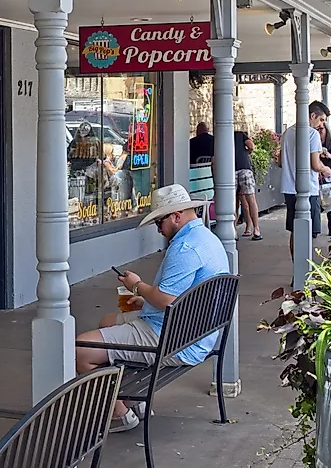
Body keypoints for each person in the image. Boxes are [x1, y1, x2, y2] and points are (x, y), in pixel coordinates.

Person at [75, 184, 230, 433]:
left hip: (173, 337)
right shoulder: (206, 239)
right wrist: (146, 299)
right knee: (107, 321)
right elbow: (176, 298)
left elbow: (166, 299)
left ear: (176, 217)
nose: (159, 230)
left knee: (81, 349)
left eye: (159, 222)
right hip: (194, 330)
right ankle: (133, 400)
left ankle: (120, 413)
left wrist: (137, 286)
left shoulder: (184, 248)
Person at [279, 101, 331, 257]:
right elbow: (315, 165)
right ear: (312, 116)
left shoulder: (288, 133)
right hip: (308, 189)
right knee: (309, 232)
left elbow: (281, 162)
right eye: (321, 120)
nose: (322, 124)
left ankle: (297, 270)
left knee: (295, 231)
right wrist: (325, 169)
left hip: (289, 187)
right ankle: (304, 272)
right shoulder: (312, 134)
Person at [235, 130, 262, 240]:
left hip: (230, 170)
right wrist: (247, 152)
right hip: (245, 168)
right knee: (251, 199)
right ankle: (256, 230)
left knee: (233, 202)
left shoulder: (222, 137)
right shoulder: (240, 135)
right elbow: (251, 146)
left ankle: (233, 230)